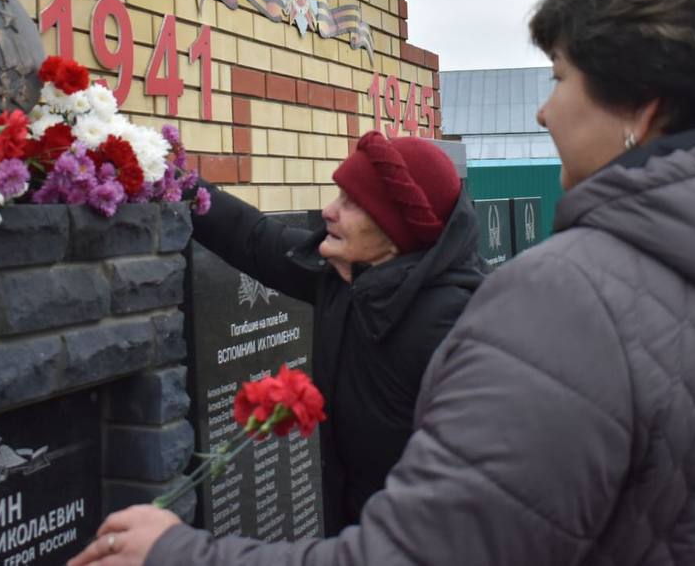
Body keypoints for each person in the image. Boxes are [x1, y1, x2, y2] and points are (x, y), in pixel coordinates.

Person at [69, 0, 695, 566]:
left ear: (644, 104)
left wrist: (177, 551)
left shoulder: (569, 302)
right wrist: (147, 162)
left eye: (559, 78)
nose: (543, 114)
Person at [187, 131, 483, 535]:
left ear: (397, 228)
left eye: (351, 202)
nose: (328, 211)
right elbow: (252, 237)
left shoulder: (455, 327)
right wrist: (166, 177)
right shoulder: (345, 279)